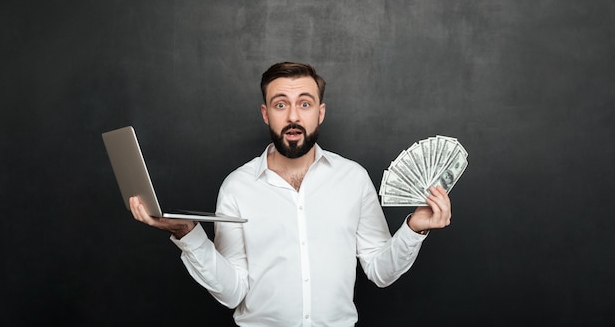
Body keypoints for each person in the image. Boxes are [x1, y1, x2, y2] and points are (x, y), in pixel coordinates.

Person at [129, 61, 452, 327]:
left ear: (320, 113)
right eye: (280, 104)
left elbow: (380, 273)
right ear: (266, 113)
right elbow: (232, 291)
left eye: (305, 104)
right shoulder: (237, 186)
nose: (293, 116)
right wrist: (188, 235)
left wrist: (414, 228)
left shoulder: (352, 178)